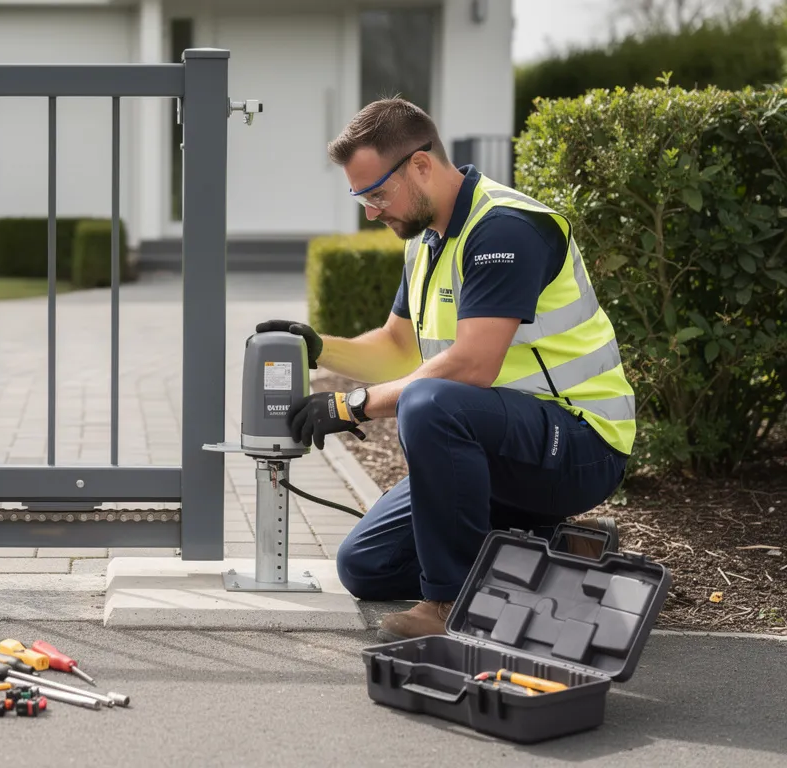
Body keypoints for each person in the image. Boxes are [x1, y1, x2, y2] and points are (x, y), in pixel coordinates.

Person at [257, 98, 635, 641]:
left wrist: (351, 404)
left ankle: (449, 603)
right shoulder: (428, 241)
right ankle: (555, 549)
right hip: (498, 446)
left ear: (420, 165)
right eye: (359, 198)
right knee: (365, 567)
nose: (370, 211)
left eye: (375, 194)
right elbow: (395, 346)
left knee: (429, 402)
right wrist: (318, 350)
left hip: (577, 445)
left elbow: (472, 366)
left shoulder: (504, 228)